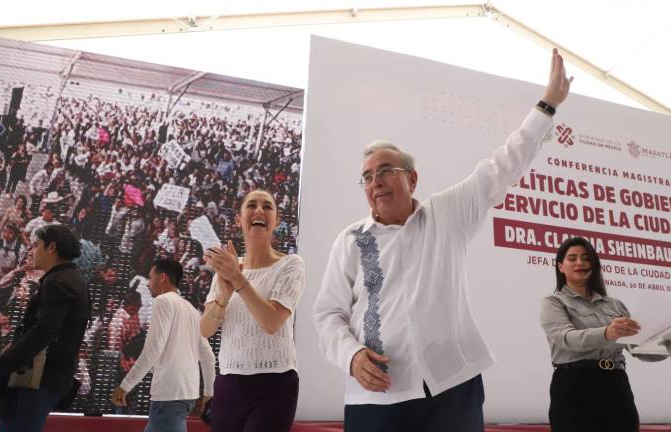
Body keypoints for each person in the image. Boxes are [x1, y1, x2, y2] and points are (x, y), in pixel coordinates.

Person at [312, 49, 572, 432]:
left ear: (412, 179)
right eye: (367, 177)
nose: (376, 181)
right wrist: (351, 356)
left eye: (386, 170)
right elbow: (327, 314)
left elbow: (504, 165)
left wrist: (548, 103)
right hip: (375, 395)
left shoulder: (447, 214)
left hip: (451, 387)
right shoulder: (349, 240)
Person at [0, 224, 90, 432]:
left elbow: (42, 333)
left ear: (51, 247)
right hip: (43, 379)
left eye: (35, 245)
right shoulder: (73, 280)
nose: (31, 251)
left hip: (36, 380)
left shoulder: (58, 282)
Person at [201, 189, 305, 432]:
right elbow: (205, 329)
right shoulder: (228, 269)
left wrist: (237, 279)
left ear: (276, 221)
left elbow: (271, 322)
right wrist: (224, 295)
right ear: (239, 219)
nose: (259, 210)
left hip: (275, 383)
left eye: (267, 206)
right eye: (252, 205)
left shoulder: (291, 265)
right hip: (228, 382)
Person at [539, 237, 659, 432]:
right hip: (574, 384)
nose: (580, 263)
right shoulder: (553, 302)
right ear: (561, 266)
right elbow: (566, 338)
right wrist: (607, 332)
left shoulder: (615, 305)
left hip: (616, 384)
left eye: (586, 258)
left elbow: (636, 347)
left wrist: (670, 341)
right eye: (572, 258)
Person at [112, 258, 216, 432]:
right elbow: (208, 356)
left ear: (162, 278)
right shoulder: (191, 309)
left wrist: (125, 386)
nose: (147, 284)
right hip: (186, 394)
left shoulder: (162, 301)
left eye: (151, 278)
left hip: (168, 394)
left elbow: (153, 349)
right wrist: (208, 393)